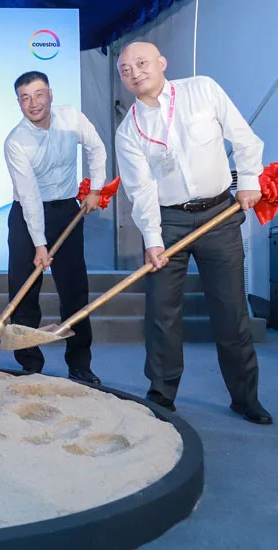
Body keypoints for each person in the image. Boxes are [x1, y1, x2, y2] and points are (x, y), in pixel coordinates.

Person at [115, 42, 271, 424]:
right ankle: (162, 393)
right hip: (169, 222)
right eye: (125, 69)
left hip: (220, 213)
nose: (134, 72)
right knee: (162, 312)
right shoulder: (128, 130)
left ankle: (244, 396)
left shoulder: (203, 89)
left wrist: (249, 180)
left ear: (162, 63)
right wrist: (153, 239)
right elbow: (141, 191)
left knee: (230, 310)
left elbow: (245, 138)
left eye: (141, 63)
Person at [3, 71, 107, 384]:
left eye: (37, 94)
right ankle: (30, 364)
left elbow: (97, 148)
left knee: (75, 291)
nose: (32, 103)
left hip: (66, 210)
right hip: (26, 217)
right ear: (18, 102)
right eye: (24, 98)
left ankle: (80, 363)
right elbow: (30, 197)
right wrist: (39, 244)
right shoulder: (16, 141)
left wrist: (96, 189)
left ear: (50, 93)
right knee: (23, 292)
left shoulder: (71, 118)